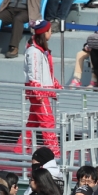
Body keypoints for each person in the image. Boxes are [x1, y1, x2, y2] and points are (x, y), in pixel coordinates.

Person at [16, 20, 59, 157]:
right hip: (39, 93)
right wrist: (38, 91)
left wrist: (55, 84)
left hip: (41, 91)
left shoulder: (39, 51)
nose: (51, 33)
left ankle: (20, 149)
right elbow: (34, 73)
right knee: (47, 122)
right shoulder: (34, 51)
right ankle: (54, 153)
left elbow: (45, 73)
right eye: (49, 30)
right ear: (44, 32)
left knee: (33, 123)